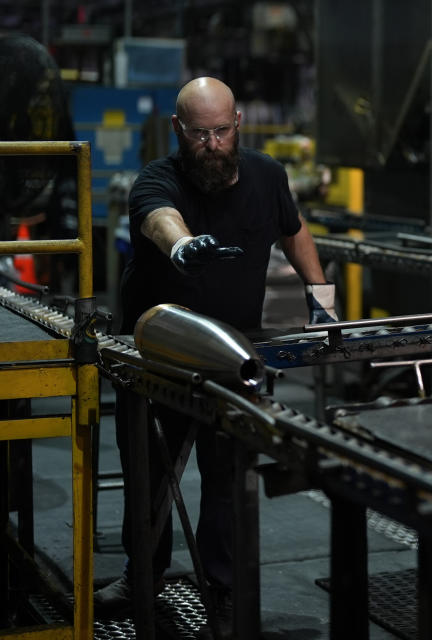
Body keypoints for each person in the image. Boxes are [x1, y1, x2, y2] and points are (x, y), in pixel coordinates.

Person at [93, 77, 337, 636]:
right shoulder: (157, 179)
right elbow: (159, 218)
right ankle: (143, 575)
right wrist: (182, 245)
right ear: (179, 130)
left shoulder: (267, 175)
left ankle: (221, 588)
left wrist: (321, 298)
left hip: (234, 352)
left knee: (226, 476)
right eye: (199, 133)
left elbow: (293, 231)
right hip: (158, 353)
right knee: (149, 471)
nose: (212, 144)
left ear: (238, 124)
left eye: (221, 131)